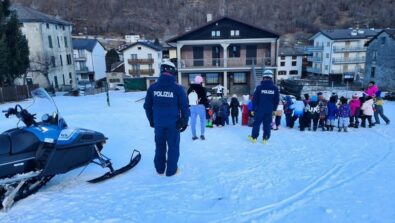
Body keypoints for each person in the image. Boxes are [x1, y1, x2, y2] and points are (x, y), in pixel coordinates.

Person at [143, 61, 189, 177]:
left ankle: (159, 169)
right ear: (172, 71)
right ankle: (171, 171)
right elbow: (184, 106)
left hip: (159, 123)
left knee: (159, 146)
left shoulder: (153, 87)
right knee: (173, 147)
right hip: (173, 124)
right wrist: (184, 121)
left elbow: (147, 106)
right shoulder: (178, 88)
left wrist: (152, 120)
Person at [248, 70, 279, 144]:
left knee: (257, 124)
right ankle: (265, 139)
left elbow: (254, 99)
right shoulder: (275, 88)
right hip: (269, 110)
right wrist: (274, 109)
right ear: (271, 77)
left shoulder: (259, 88)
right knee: (267, 125)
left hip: (259, 109)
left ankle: (254, 138)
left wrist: (253, 109)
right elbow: (276, 100)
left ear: (263, 77)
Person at [187, 75, 209, 140]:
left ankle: (194, 136)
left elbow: (187, 97)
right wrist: (207, 106)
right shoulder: (202, 89)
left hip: (192, 106)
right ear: (201, 82)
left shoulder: (190, 88)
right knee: (202, 120)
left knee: (193, 121)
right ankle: (202, 134)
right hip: (200, 106)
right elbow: (204, 99)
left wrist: (188, 105)